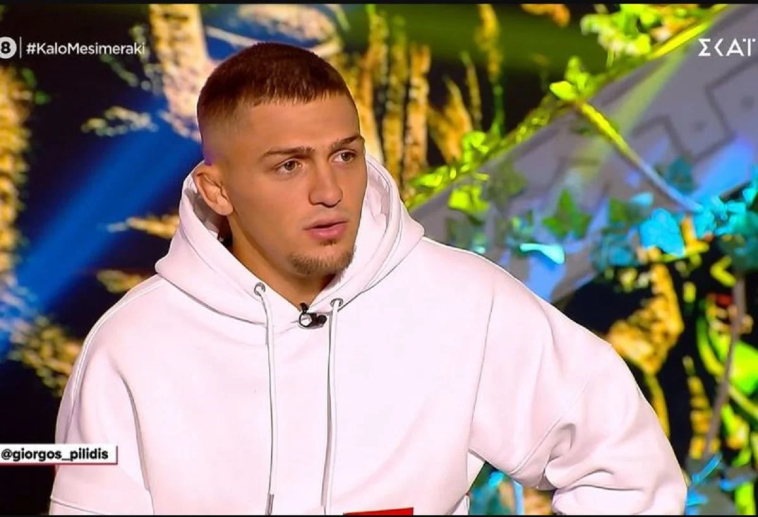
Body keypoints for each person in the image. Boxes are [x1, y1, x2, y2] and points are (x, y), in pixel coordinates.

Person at [49, 42, 687, 515]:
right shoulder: (133, 345)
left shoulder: (463, 302)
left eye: (345, 155)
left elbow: (627, 467)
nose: (329, 191)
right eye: (289, 165)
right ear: (218, 190)